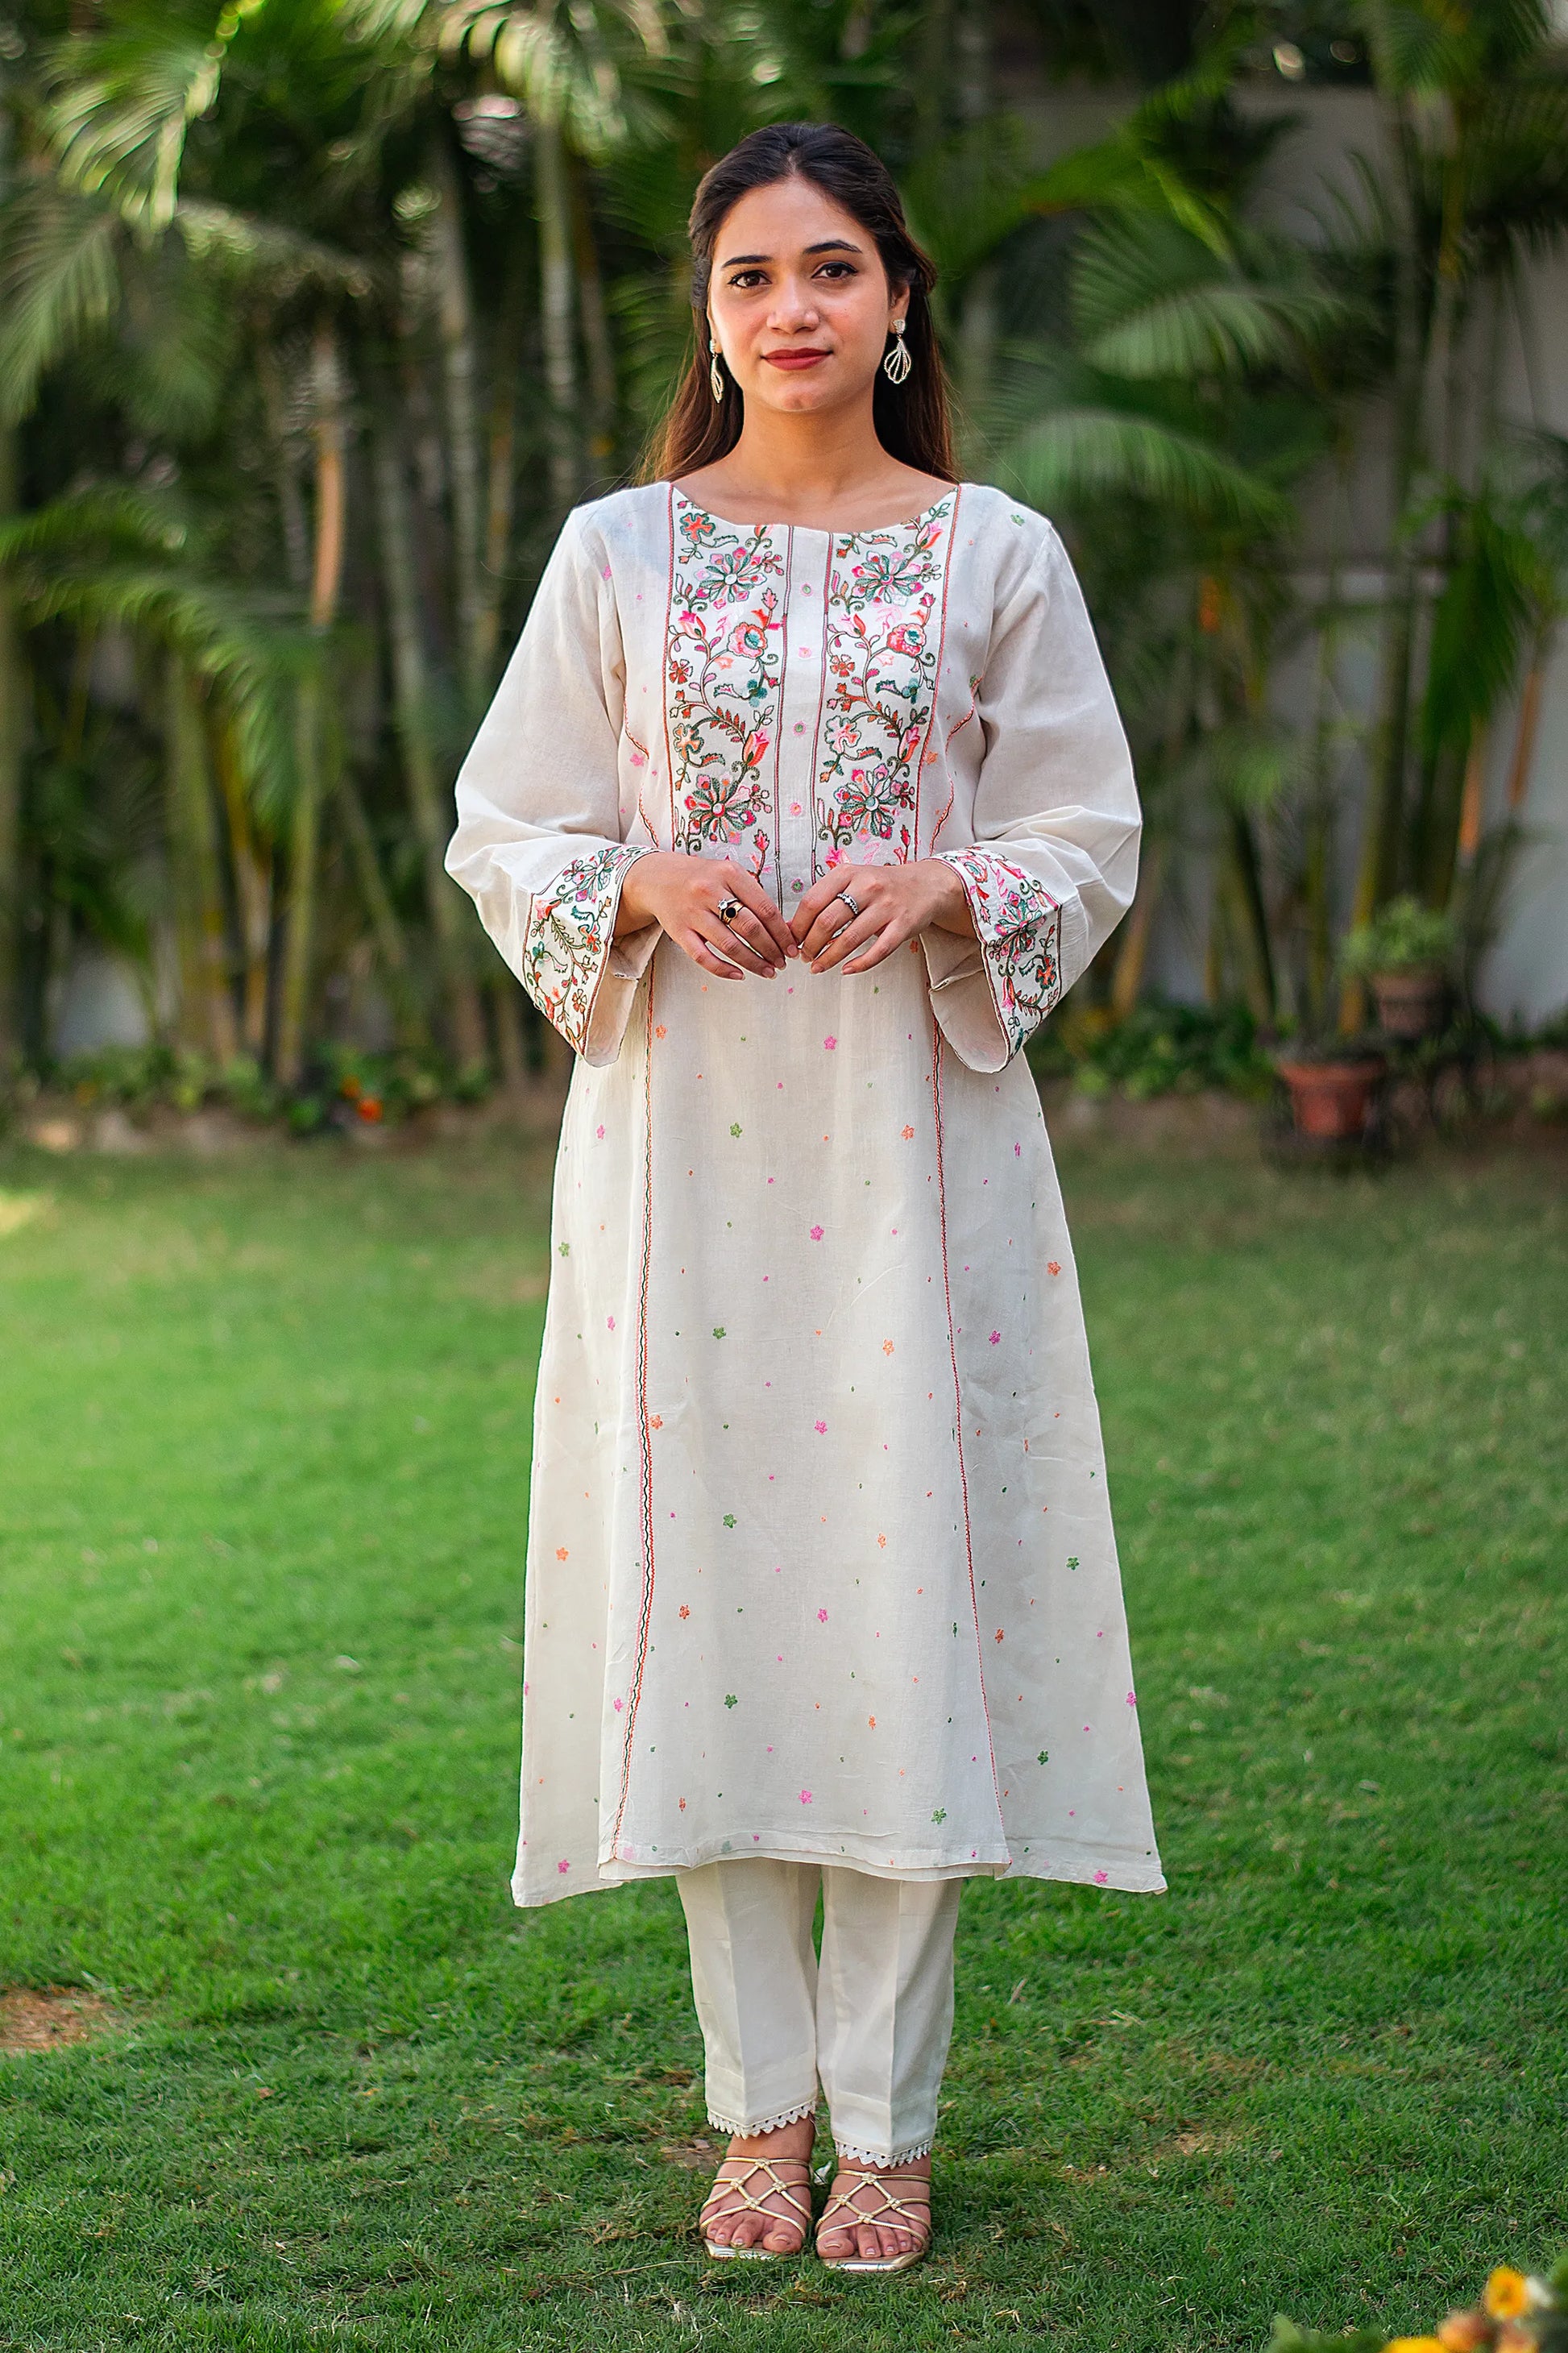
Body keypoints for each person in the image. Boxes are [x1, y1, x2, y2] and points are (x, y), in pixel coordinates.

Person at [446, 118, 1163, 2276]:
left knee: (900, 1593)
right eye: (753, 273)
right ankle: (752, 2120)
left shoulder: (995, 556)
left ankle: (888, 2129)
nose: (792, 308)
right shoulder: (619, 555)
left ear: (897, 297)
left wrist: (955, 874)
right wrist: (631, 878)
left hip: (909, 1148)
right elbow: (509, 826)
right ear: (710, 310)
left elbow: (1086, 830)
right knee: (710, 1606)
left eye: (831, 267)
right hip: (679, 1153)